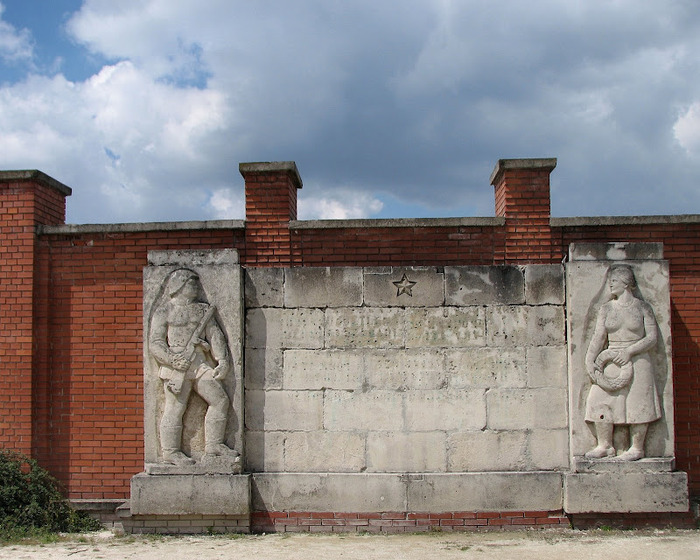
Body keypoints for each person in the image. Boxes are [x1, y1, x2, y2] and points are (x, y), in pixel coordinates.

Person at [149, 268, 238, 465]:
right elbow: (155, 342)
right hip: (176, 365)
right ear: (178, 286)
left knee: (220, 400)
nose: (195, 287)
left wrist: (222, 360)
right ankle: (171, 452)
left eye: (196, 283)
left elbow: (215, 335)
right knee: (174, 408)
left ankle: (214, 446)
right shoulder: (165, 311)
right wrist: (172, 359)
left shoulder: (202, 310)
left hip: (199, 363)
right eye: (190, 284)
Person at [584, 265, 662, 461]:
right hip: (611, 357)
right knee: (598, 398)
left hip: (638, 358)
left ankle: (637, 448)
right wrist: (589, 360)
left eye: (614, 281)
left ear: (626, 283)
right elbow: (598, 337)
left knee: (638, 403)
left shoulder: (642, 307)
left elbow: (652, 337)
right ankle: (605, 445)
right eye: (610, 280)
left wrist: (630, 351)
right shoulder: (607, 308)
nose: (610, 284)